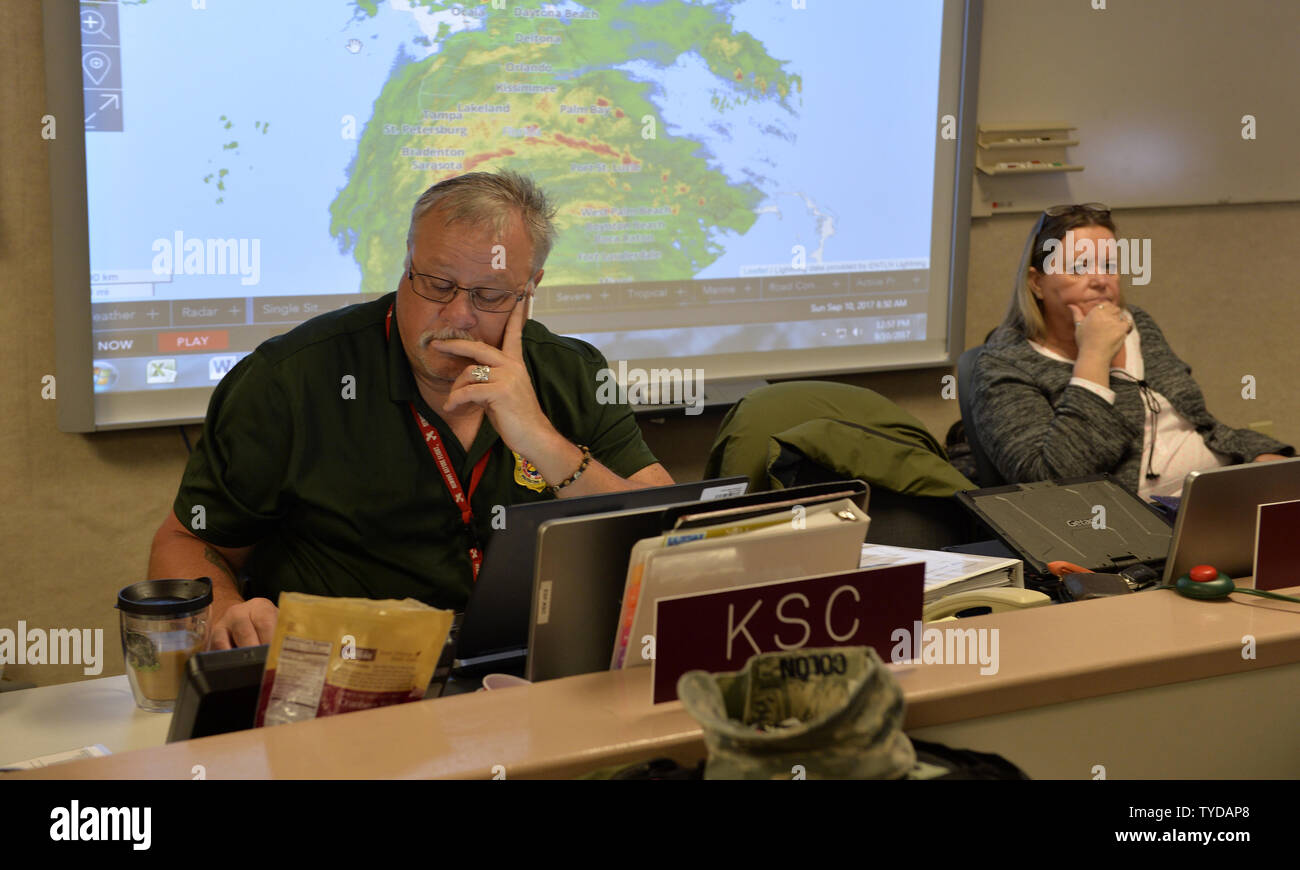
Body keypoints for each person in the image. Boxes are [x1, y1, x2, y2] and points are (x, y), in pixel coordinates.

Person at [148, 171, 674, 649]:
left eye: (489, 295)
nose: (458, 317)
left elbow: (667, 537)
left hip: (526, 671)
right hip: (344, 682)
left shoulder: (569, 371)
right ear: (406, 264)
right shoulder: (289, 379)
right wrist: (230, 613)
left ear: (529, 291)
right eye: (437, 285)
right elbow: (187, 539)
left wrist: (541, 438)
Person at [969, 202, 1291, 496]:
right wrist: (1093, 358)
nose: (1099, 280)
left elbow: (1198, 423)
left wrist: (1256, 456)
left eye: (1108, 265)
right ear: (1036, 283)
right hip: (1129, 520)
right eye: (1079, 268)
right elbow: (1053, 483)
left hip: (1213, 486)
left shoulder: (1136, 323)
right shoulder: (1003, 365)